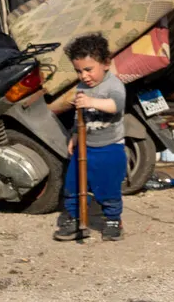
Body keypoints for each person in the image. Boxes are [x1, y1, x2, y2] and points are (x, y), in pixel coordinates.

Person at [52, 33, 126, 242]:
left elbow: (115, 106)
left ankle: (112, 220)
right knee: (74, 183)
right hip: (85, 146)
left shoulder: (114, 85)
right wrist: (75, 135)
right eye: (78, 71)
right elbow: (80, 116)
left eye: (88, 70)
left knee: (108, 185)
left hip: (109, 147)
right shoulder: (82, 87)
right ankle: (75, 218)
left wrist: (91, 102)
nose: (84, 76)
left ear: (106, 63)